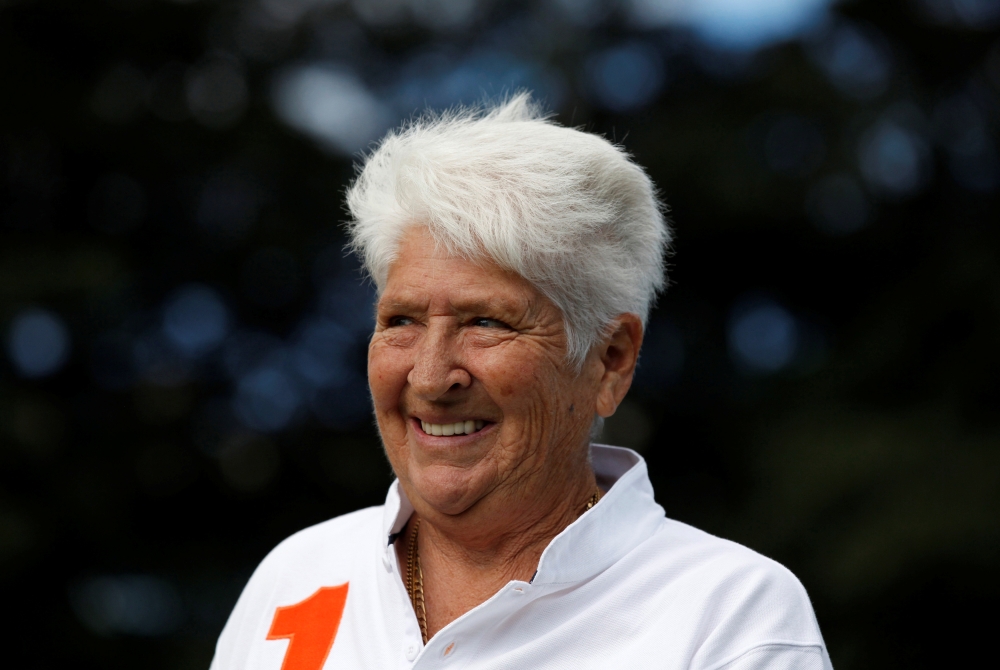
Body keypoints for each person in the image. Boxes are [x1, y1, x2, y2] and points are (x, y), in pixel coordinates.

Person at [210, 94, 833, 670]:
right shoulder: (296, 578)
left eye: (486, 322)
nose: (430, 376)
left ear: (610, 360)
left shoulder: (731, 618)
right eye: (401, 320)